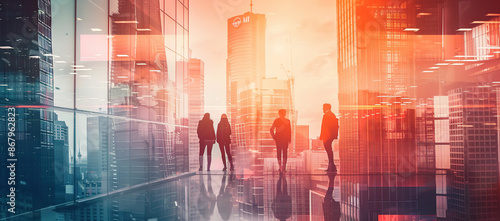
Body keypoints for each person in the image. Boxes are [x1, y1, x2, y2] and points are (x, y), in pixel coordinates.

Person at [270, 109, 291, 173]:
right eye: (284, 113)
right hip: (284, 139)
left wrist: (274, 137)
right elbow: (289, 131)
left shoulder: (277, 120)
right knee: (284, 153)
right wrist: (289, 139)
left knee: (280, 152)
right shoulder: (287, 121)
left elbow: (271, 129)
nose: (285, 114)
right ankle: (283, 168)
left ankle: (281, 167)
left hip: (279, 139)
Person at [320, 103, 339, 172]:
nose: (322, 109)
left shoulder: (326, 115)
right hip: (330, 136)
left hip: (327, 136)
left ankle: (331, 166)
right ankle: (332, 166)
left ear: (326, 108)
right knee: (330, 151)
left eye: (323, 107)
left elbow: (324, 127)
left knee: (329, 151)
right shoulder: (332, 115)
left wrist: (323, 136)